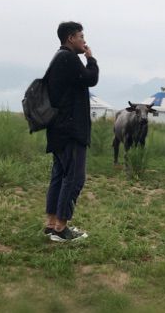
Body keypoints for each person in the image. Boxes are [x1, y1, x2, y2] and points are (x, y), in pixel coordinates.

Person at [44, 21, 99, 242]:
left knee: (59, 176)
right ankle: (61, 229)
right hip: (70, 131)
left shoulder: (58, 58)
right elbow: (91, 78)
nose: (84, 41)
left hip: (58, 130)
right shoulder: (69, 58)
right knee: (74, 178)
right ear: (70, 38)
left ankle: (51, 224)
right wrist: (91, 59)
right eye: (81, 36)